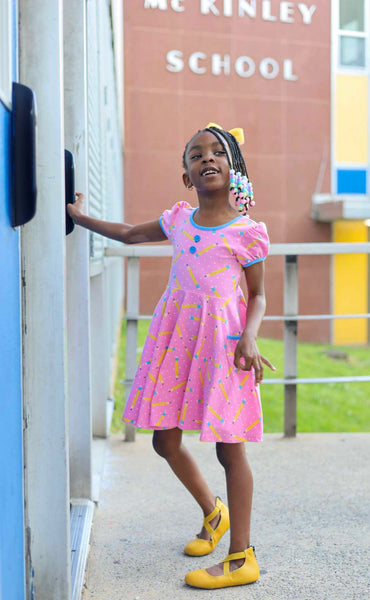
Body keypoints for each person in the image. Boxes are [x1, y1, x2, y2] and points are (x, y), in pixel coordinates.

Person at [68, 123, 275, 590]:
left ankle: (241, 555)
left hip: (224, 346)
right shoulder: (179, 219)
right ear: (187, 177)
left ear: (233, 167)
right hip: (177, 343)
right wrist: (78, 217)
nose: (207, 159)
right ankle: (212, 511)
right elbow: (126, 233)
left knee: (229, 446)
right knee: (164, 441)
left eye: (217, 152)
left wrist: (250, 336)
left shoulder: (247, 232)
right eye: (196, 155)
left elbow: (258, 295)